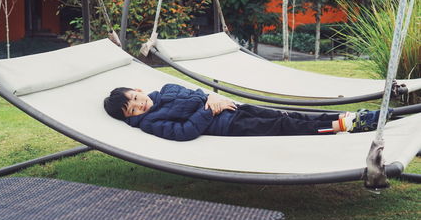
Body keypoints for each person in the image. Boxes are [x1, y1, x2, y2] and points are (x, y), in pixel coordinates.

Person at [103, 83, 385, 141]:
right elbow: (183, 132)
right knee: (281, 127)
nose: (140, 105)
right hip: (229, 125)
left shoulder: (168, 88)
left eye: (136, 98)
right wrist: (208, 110)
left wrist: (211, 96)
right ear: (130, 117)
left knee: (284, 116)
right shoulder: (150, 123)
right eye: (133, 110)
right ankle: (343, 126)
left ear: (139, 90)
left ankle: (348, 117)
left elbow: (201, 94)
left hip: (234, 108)